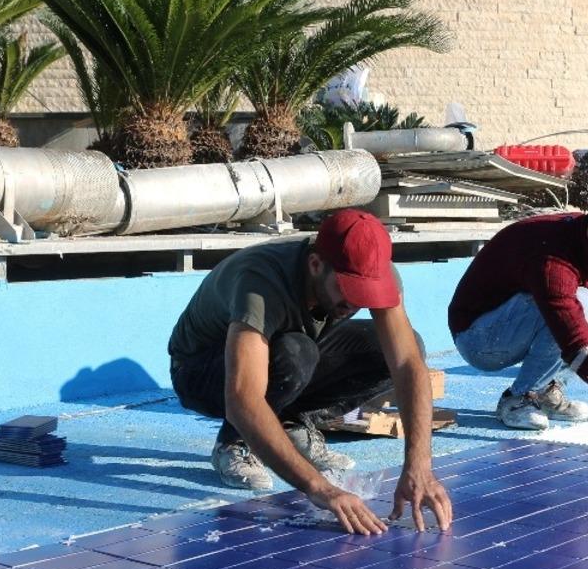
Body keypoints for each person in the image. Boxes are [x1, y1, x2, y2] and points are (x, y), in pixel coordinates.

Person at [168, 208, 452, 535]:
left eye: (365, 294)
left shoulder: (376, 271)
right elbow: (242, 399)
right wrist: (320, 489)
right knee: (295, 354)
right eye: (348, 290)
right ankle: (234, 444)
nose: (356, 303)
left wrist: (419, 467)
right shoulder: (261, 281)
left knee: (403, 347)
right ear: (315, 265)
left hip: (286, 352)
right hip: (199, 370)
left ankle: (288, 423)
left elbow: (406, 364)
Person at [448, 181, 588, 434]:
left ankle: (548, 389)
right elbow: (576, 344)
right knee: (581, 303)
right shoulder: (552, 258)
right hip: (480, 339)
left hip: (524, 318)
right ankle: (519, 398)